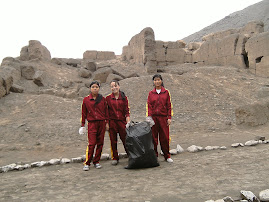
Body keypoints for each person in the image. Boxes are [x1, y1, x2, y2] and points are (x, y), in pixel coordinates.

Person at [79, 81, 109, 171]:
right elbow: (83, 113)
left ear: (99, 88)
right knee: (92, 143)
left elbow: (106, 112)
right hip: (92, 123)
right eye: (93, 87)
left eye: (96, 87)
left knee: (100, 143)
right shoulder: (86, 100)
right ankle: (87, 163)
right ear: (90, 88)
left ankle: (96, 161)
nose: (95, 88)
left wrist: (107, 122)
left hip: (101, 123)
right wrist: (83, 125)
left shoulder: (103, 99)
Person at [146, 74, 174, 163]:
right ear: (153, 82)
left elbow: (169, 105)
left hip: (163, 118)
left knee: (165, 137)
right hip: (154, 118)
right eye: (155, 80)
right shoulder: (151, 93)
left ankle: (167, 156)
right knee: (153, 138)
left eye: (158, 80)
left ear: (161, 81)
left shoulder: (166, 92)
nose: (157, 82)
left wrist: (169, 117)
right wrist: (149, 117)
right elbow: (149, 106)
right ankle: (154, 156)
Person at [106, 80, 130, 165]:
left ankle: (130, 155)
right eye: (112, 86)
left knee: (125, 140)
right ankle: (115, 158)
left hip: (121, 122)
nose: (114, 88)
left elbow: (127, 111)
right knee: (113, 141)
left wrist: (128, 122)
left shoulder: (124, 98)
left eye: (115, 86)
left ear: (119, 86)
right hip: (112, 122)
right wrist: (107, 123)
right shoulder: (108, 98)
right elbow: (106, 112)